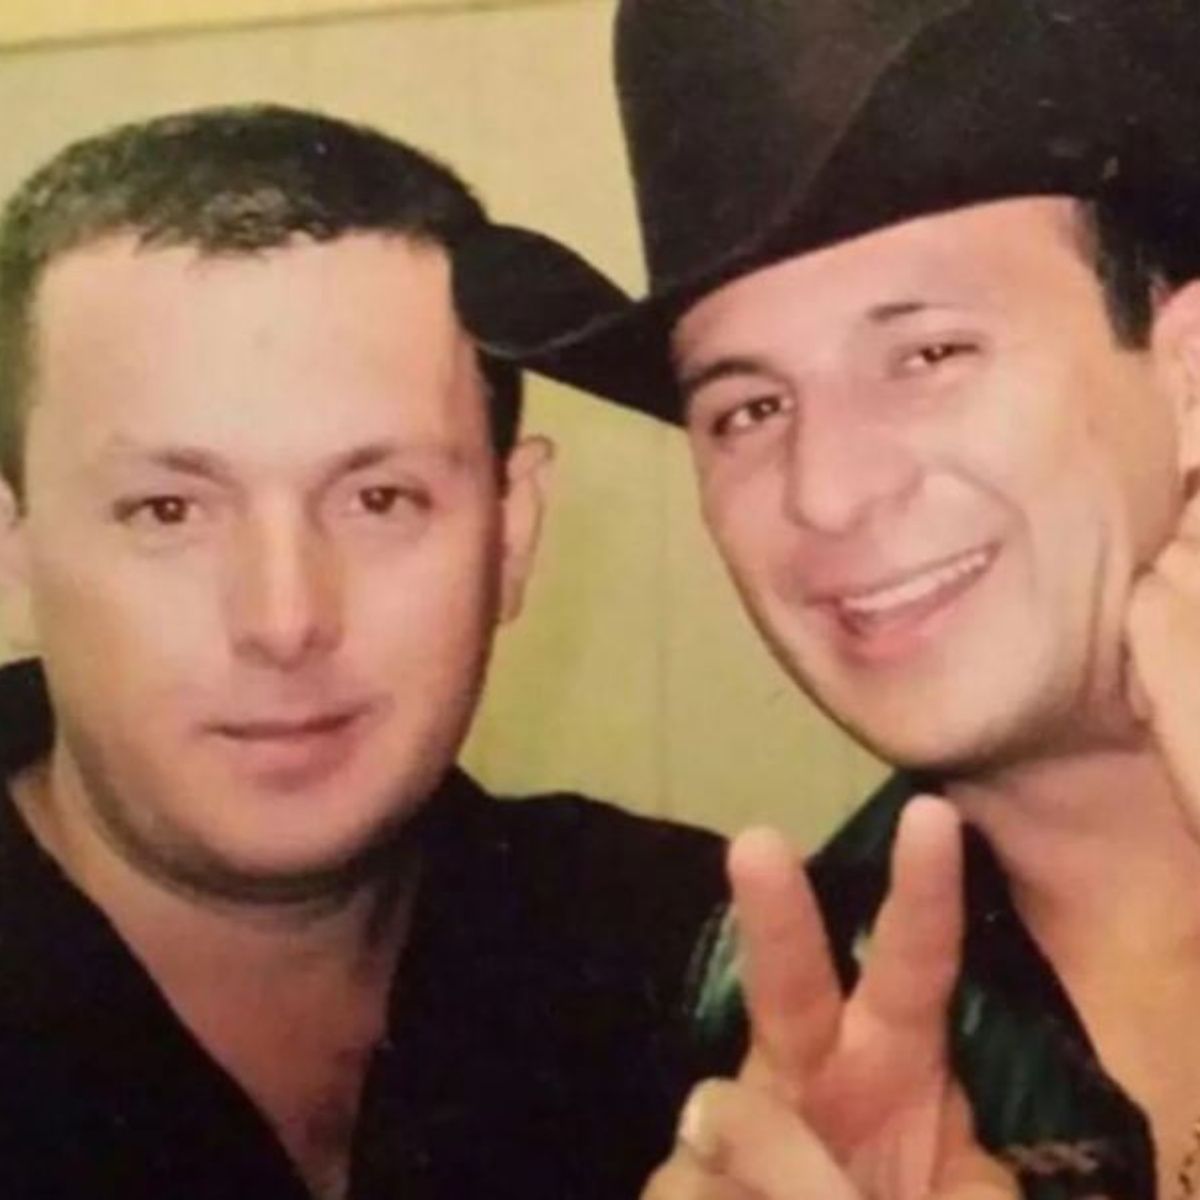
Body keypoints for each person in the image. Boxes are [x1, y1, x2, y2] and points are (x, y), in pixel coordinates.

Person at [458, 0, 1200, 1195]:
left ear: (1189, 376)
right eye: (749, 409)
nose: (827, 493)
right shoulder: (744, 1069)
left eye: (929, 355)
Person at [0, 103, 727, 1200]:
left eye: (380, 498)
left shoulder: (707, 970)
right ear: (14, 550)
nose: (286, 619)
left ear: (512, 533)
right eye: (168, 511)